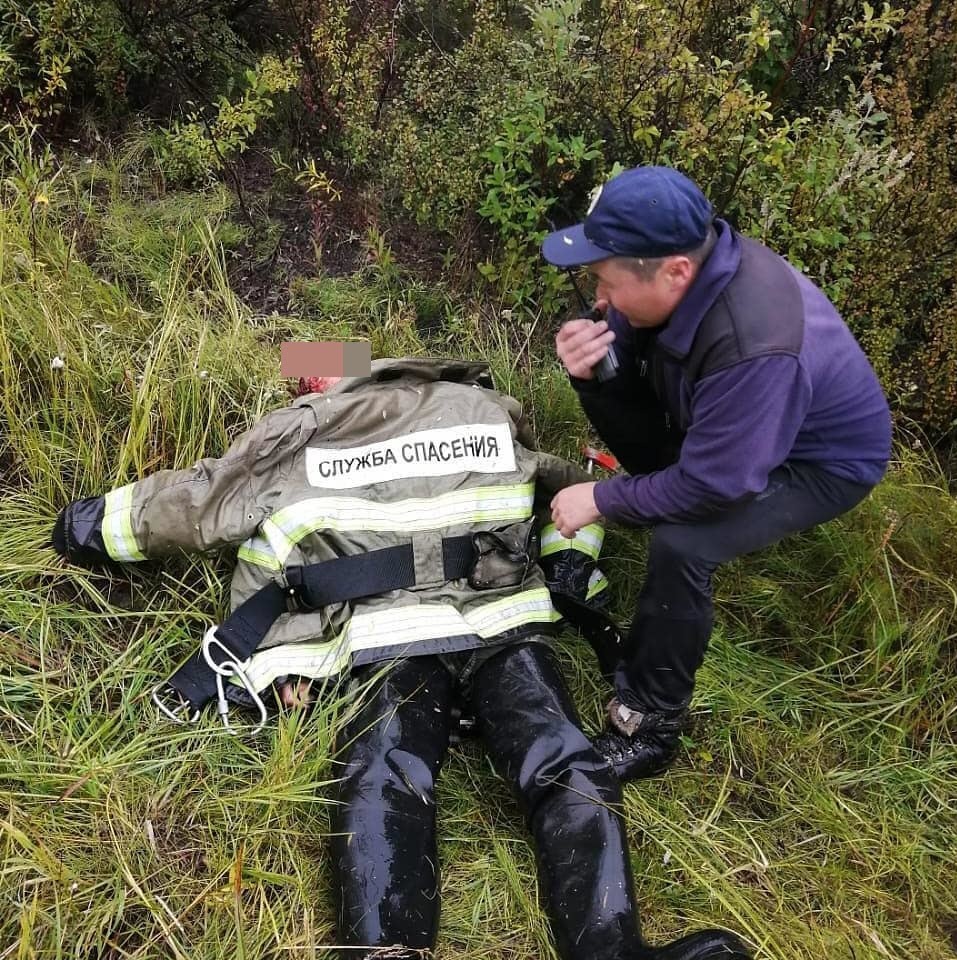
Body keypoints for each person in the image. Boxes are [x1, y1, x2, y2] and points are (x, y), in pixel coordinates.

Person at [51, 358, 752, 960]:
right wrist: (573, 569)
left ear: (323, 383)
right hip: (502, 624)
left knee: (384, 771)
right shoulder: (484, 408)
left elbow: (199, 499)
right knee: (566, 761)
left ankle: (386, 948)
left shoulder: (304, 429)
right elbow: (571, 496)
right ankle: (612, 947)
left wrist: (84, 525)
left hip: (388, 637)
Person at [542, 166, 892, 783]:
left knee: (684, 541)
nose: (600, 298)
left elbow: (714, 485)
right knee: (653, 452)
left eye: (606, 282)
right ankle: (657, 489)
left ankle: (649, 724)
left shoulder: (752, 344)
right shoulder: (688, 268)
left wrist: (603, 498)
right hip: (740, 424)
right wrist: (593, 370)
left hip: (820, 462)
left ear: (675, 271)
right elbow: (631, 344)